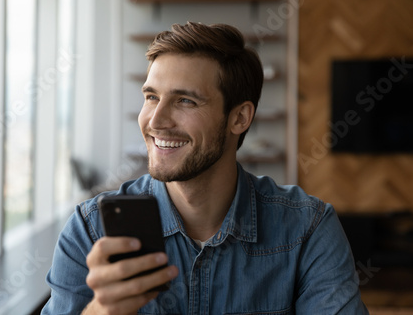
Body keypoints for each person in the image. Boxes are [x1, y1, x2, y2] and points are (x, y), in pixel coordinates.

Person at [42, 22, 369, 314]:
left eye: (185, 101)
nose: (156, 121)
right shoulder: (90, 230)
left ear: (239, 118)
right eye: (152, 97)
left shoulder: (308, 229)